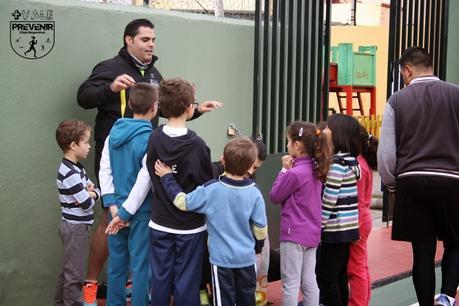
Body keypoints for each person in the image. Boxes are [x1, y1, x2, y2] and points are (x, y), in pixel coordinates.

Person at [77, 18, 222, 304]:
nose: (151, 44)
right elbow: (83, 96)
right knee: (125, 241)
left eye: (153, 39)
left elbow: (173, 111)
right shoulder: (108, 69)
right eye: (145, 39)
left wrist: (198, 110)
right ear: (129, 40)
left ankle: (123, 291)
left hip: (127, 187)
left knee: (123, 250)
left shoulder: (154, 74)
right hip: (131, 191)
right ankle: (92, 284)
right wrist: (109, 88)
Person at [107, 78, 214, 305]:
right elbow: (206, 189)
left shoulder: (154, 137)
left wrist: (123, 212)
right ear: (189, 108)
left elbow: (144, 178)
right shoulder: (198, 146)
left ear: (162, 107)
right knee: (187, 281)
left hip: (159, 224)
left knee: (159, 280)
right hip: (189, 228)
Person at [378, 46, 459, 306]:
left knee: (422, 251)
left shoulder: (397, 100)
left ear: (408, 69)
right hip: (452, 180)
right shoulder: (456, 94)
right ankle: (446, 297)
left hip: (412, 180)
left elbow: (387, 152)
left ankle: (426, 303)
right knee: (456, 242)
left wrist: (392, 184)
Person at [155, 137, 268, 306]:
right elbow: (261, 230)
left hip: (221, 261)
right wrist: (257, 247)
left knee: (223, 301)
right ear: (250, 166)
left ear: (223, 159)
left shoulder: (211, 189)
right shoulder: (255, 193)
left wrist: (167, 177)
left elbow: (181, 202)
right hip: (247, 259)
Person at [98, 83, 158, 305]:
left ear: (130, 104)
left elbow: (104, 171)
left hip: (115, 213)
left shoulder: (113, 134)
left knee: (116, 265)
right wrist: (124, 213)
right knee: (142, 266)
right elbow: (145, 181)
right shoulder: (152, 140)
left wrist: (114, 207)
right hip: (139, 214)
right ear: (155, 107)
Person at [269, 121, 331, 306]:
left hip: (293, 234)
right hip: (312, 234)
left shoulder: (294, 173)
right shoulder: (317, 169)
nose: (287, 146)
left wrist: (283, 170)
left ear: (296, 145)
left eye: (288, 141)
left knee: (290, 283)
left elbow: (275, 195)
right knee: (309, 281)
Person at [54, 119, 100, 306]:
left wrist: (92, 192)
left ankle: (59, 303)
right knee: (75, 274)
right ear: (73, 145)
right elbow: (87, 203)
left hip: (75, 226)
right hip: (75, 228)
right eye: (86, 142)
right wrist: (92, 193)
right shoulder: (70, 173)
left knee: (68, 270)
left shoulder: (77, 169)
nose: (89, 146)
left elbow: (93, 190)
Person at [316, 113, 361, 306]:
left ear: (338, 134)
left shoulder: (337, 165)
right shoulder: (352, 161)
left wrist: (319, 227)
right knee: (340, 275)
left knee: (326, 277)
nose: (324, 129)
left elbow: (329, 200)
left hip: (335, 229)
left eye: (329, 127)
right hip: (349, 229)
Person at [347, 125, 378, 306]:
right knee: (361, 264)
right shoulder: (363, 162)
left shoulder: (357, 165)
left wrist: (353, 229)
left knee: (355, 267)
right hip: (365, 217)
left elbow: (357, 201)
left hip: (358, 219)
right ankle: (363, 300)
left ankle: (357, 302)